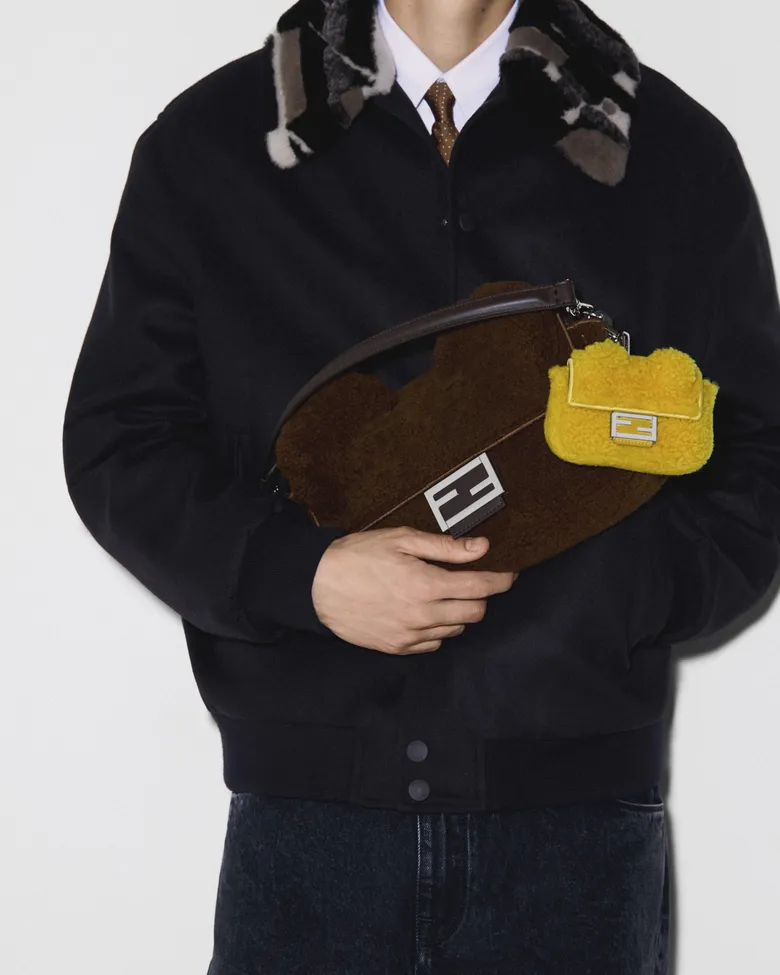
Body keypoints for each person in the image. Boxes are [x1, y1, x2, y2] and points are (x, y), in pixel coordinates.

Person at [62, 0, 780, 971]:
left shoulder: (671, 153)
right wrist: (301, 577)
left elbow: (757, 454)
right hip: (309, 832)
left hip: (577, 833)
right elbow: (122, 439)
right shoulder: (213, 142)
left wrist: (608, 597)